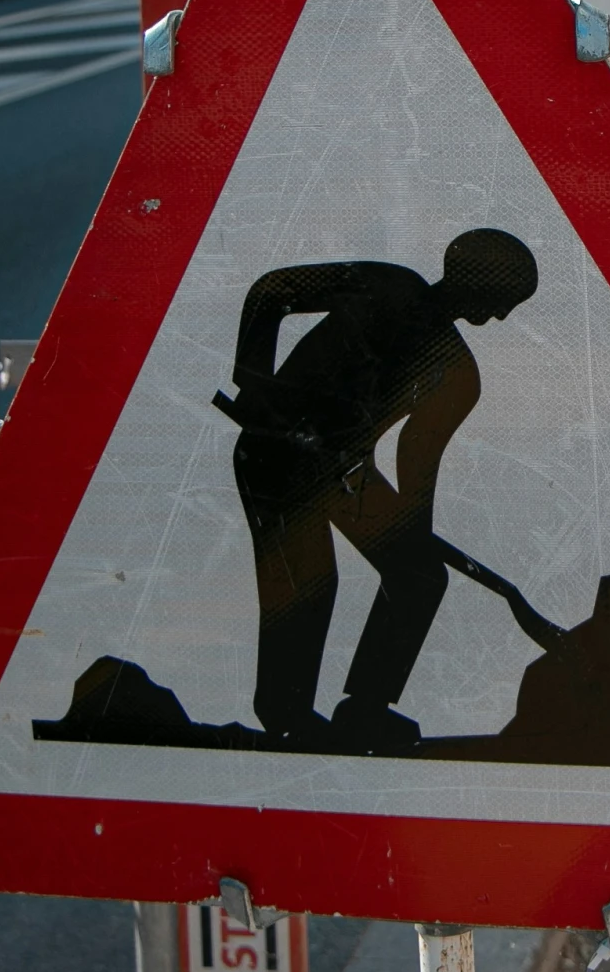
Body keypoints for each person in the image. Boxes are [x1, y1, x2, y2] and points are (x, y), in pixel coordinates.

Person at [213, 228, 538, 751]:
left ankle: (365, 708)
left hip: (344, 473)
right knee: (310, 581)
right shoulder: (388, 287)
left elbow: (418, 461)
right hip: (275, 451)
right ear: (478, 284)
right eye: (503, 300)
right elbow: (271, 291)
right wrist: (253, 381)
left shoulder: (457, 373)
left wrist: (411, 532)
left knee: (418, 574)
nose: (501, 316)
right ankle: (285, 713)